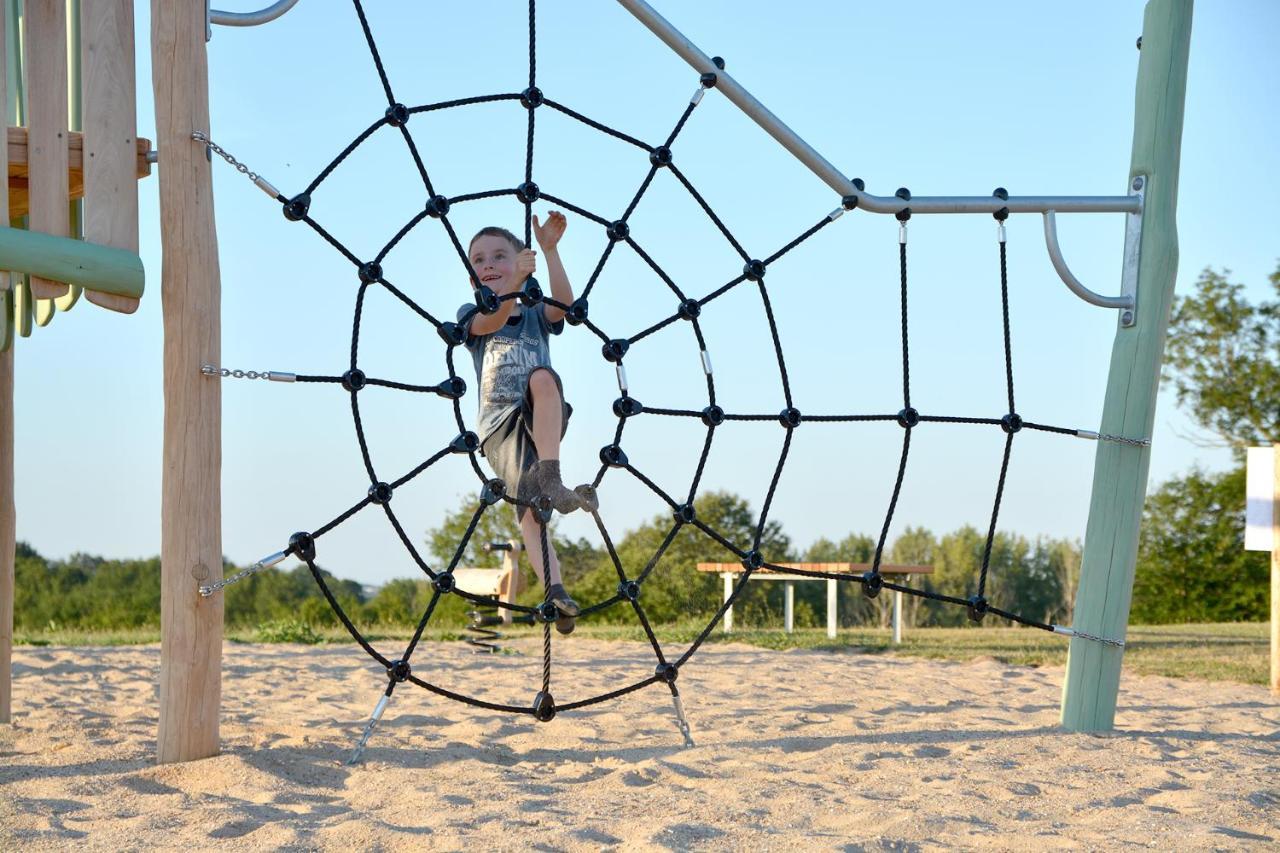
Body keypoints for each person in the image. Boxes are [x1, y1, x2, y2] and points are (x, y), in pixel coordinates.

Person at [457, 212, 592, 634]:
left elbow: (567, 309)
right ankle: (556, 591)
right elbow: (491, 320)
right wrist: (514, 283)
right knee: (531, 511)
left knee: (543, 377)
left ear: (523, 262)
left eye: (500, 256)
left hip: (542, 417)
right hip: (499, 429)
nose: (489, 265)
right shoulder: (471, 313)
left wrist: (550, 252)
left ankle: (551, 474)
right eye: (479, 260)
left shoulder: (536, 313)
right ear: (472, 277)